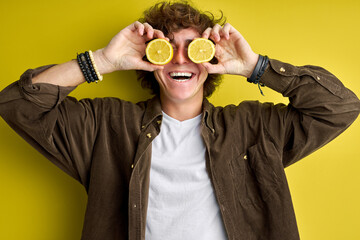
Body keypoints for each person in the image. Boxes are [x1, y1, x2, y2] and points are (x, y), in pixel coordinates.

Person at [0, 1, 359, 239]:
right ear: (150, 59)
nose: (181, 60)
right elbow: (17, 104)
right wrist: (102, 62)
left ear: (210, 59)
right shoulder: (106, 126)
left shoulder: (256, 128)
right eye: (167, 48)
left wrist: (256, 67)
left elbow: (339, 107)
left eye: (194, 48)